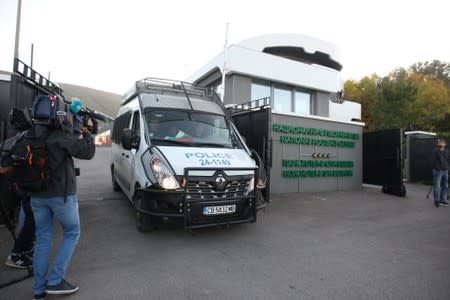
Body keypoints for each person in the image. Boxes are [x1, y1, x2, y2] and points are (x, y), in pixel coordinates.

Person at [30, 100, 96, 300]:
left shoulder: (29, 135)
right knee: (72, 233)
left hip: (36, 196)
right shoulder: (61, 136)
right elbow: (87, 152)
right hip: (61, 196)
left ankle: (39, 290)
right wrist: (89, 132)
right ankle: (56, 280)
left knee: (43, 239)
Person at [0, 108, 35, 269]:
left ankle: (25, 249)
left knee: (28, 216)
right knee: (30, 219)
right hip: (21, 185)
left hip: (17, 184)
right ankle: (16, 255)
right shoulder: (19, 136)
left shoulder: (15, 134)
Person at [431, 139, 449, 208]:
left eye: (442, 142)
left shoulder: (447, 151)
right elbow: (433, 161)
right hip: (438, 171)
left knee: (445, 186)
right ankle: (437, 200)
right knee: (437, 187)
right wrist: (438, 169)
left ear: (445, 144)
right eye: (440, 142)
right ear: (438, 144)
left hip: (445, 171)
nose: (441, 143)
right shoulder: (435, 151)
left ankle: (442, 200)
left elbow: (448, 160)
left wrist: (448, 168)